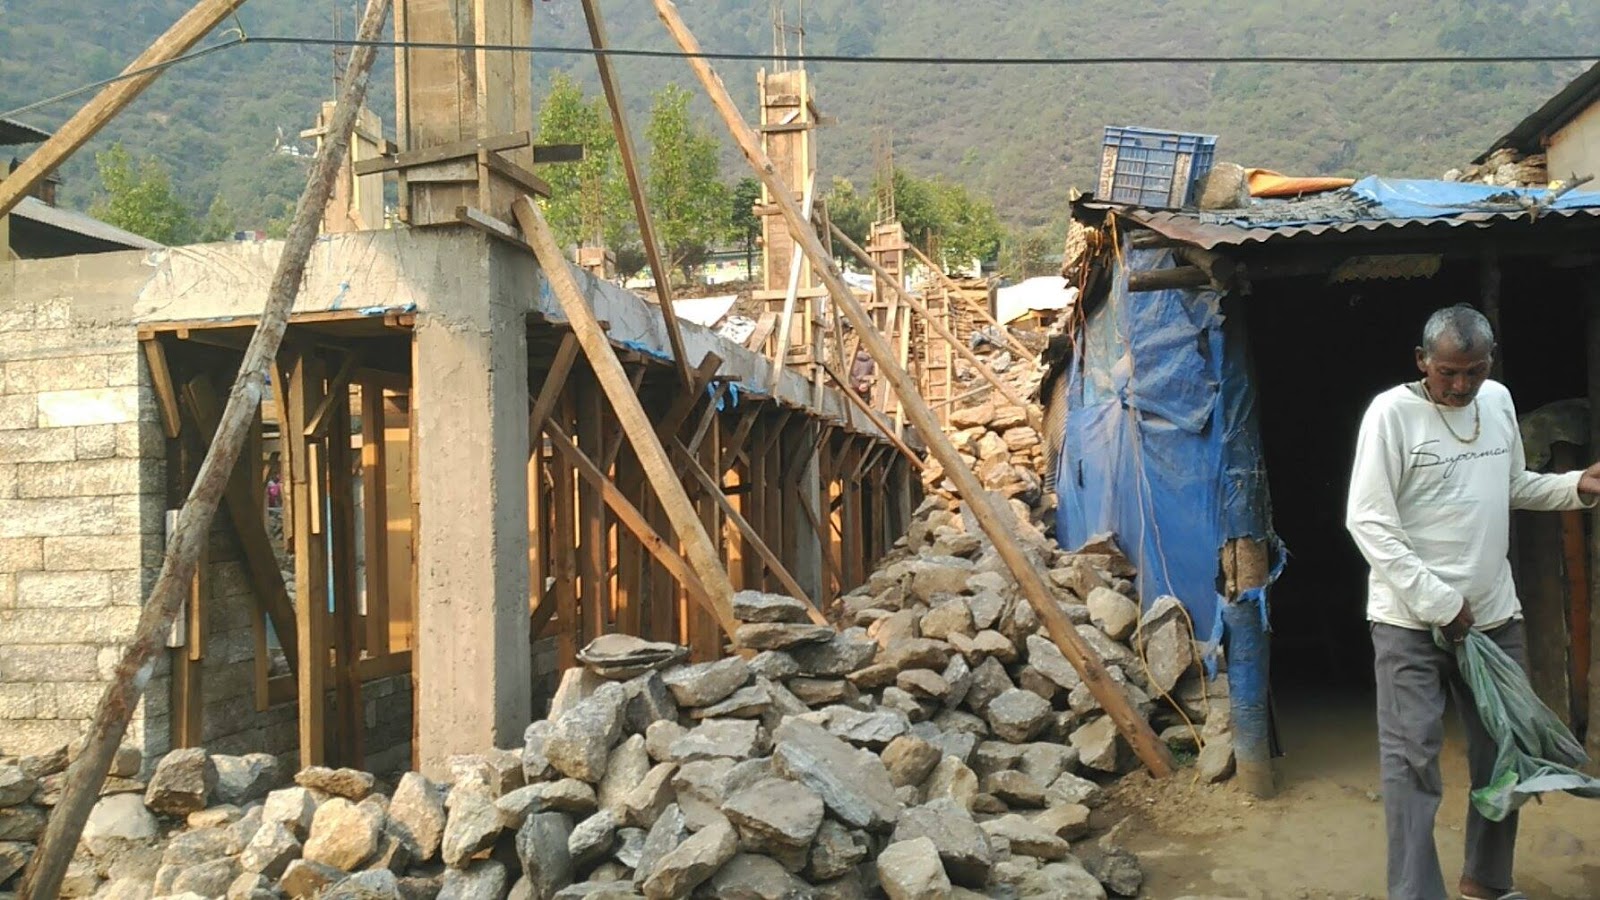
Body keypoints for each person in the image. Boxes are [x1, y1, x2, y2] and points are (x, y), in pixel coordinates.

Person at [1345, 304, 1600, 900]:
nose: (1461, 386)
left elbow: (1511, 485)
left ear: (1491, 364)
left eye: (1474, 371)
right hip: (1409, 622)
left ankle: (1486, 881)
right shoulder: (1391, 414)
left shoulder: (1499, 402)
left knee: (1504, 757)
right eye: (1448, 373)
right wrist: (1438, 601)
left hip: (1492, 618)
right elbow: (1368, 520)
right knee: (1412, 763)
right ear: (1422, 362)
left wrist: (1576, 486)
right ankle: (1416, 892)